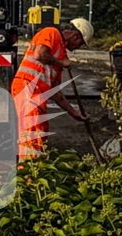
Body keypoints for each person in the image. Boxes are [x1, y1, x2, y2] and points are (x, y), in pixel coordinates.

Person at [12, 19, 93, 162]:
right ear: (75, 36)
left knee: (40, 135)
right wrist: (61, 63)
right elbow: (39, 54)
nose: (77, 48)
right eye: (80, 44)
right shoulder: (51, 32)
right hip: (28, 87)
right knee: (32, 135)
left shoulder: (61, 53)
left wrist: (73, 112)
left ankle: (35, 173)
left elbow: (54, 90)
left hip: (37, 95)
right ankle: (29, 179)